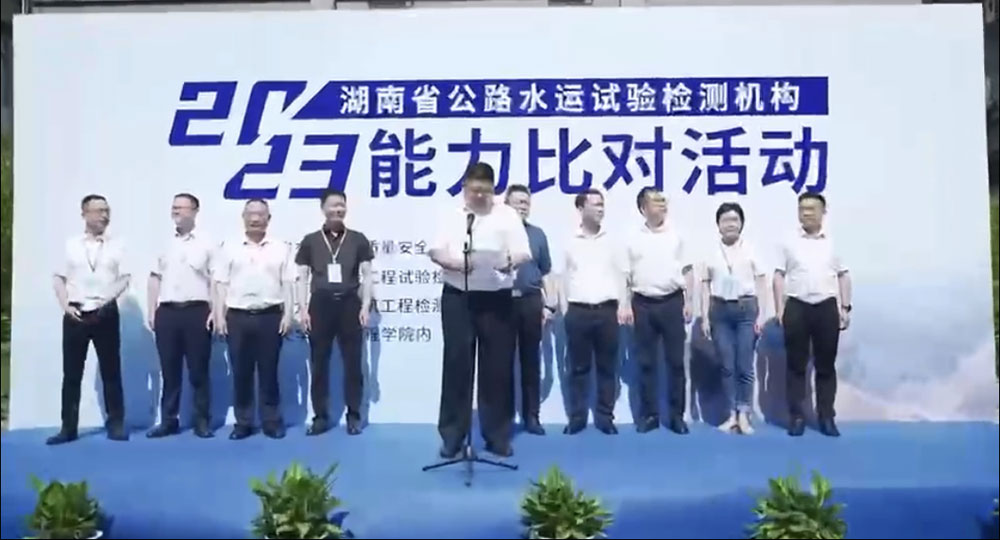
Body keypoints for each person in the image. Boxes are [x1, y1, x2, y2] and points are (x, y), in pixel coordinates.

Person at [428, 162, 531, 459]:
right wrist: (454, 263)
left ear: (494, 189)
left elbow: (523, 252)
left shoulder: (507, 215)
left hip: (497, 298)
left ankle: (497, 435)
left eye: (486, 191)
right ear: (464, 188)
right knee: (456, 366)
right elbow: (436, 250)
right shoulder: (452, 214)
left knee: (497, 369)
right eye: (474, 190)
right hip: (458, 297)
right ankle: (452, 436)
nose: (480, 196)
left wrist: (508, 261)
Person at [48, 194, 130, 445]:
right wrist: (65, 305)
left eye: (107, 211)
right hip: (76, 313)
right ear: (84, 214)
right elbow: (59, 278)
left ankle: (116, 424)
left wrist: (107, 299)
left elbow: (125, 278)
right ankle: (68, 428)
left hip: (105, 312)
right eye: (98, 211)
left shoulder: (118, 245)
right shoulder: (70, 245)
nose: (104, 216)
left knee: (111, 371)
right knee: (72, 373)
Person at [296, 189, 374, 437]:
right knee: (319, 364)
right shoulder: (310, 240)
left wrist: (365, 306)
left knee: (353, 364)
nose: (338, 210)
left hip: (350, 304)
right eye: (332, 205)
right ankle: (320, 417)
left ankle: (354, 416)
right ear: (323, 209)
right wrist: (303, 308)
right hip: (320, 304)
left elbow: (367, 275)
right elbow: (302, 277)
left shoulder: (358, 239)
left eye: (341, 205)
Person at [215, 199, 295, 440]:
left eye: (260, 214)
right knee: (241, 372)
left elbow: (288, 283)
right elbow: (221, 284)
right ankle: (244, 422)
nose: (255, 219)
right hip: (237, 316)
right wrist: (219, 315)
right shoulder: (229, 247)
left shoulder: (281, 248)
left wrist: (288, 314)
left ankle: (272, 421)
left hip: (270, 315)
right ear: (243, 217)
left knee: (269, 372)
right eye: (250, 214)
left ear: (268, 219)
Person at [774, 192, 852, 438]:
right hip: (797, 306)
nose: (807, 213)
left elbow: (843, 275)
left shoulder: (834, 242)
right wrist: (779, 309)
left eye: (812, 209)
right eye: (802, 209)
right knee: (795, 365)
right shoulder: (788, 242)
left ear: (823, 212)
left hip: (826, 307)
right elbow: (778, 276)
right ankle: (796, 417)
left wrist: (845, 307)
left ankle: (826, 417)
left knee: (825, 366)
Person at [620, 188, 694, 435]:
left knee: (675, 363)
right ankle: (649, 415)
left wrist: (689, 301)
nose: (662, 205)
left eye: (663, 201)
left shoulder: (678, 235)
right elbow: (626, 276)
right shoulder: (632, 238)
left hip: (672, 302)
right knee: (646, 363)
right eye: (656, 202)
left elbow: (688, 271)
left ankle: (676, 416)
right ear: (643, 208)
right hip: (642, 304)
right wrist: (625, 304)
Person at [146, 193, 217, 439]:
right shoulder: (164, 243)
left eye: (182, 207)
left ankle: (202, 421)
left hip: (197, 311)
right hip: (167, 312)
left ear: (195, 211)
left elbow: (217, 280)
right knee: (169, 371)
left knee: (199, 371)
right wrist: (151, 310)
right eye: (174, 207)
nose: (176, 211)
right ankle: (168, 421)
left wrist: (216, 311)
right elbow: (154, 278)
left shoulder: (207, 243)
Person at [561, 189, 628, 436]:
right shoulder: (570, 241)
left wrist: (624, 304)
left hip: (607, 311)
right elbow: (563, 278)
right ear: (581, 208)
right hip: (578, 311)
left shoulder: (613, 241)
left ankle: (605, 418)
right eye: (595, 204)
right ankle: (577, 418)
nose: (601, 209)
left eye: (602, 204)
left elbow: (622, 275)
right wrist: (566, 310)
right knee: (578, 369)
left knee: (607, 369)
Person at [700, 202, 768, 436]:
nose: (730, 224)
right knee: (727, 366)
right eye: (725, 220)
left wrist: (762, 314)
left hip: (746, 310)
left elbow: (761, 282)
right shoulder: (710, 252)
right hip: (719, 311)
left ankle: (744, 414)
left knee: (745, 366)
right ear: (718, 225)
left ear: (741, 224)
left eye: (735, 220)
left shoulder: (751, 249)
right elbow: (705, 285)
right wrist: (704, 317)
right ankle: (731, 414)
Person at [504, 184, 557, 436]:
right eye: (517, 202)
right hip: (501, 302)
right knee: (500, 363)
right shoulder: (496, 233)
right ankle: (501, 418)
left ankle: (531, 417)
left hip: (530, 301)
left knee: (530, 362)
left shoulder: (537, 235)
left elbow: (546, 271)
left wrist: (549, 305)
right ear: (506, 205)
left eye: (526, 203)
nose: (522, 207)